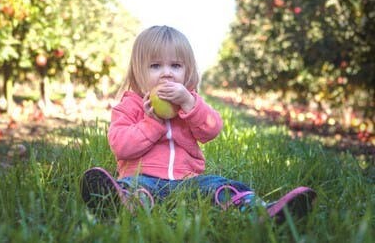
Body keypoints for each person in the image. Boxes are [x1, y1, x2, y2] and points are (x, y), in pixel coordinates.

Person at [80, 25, 316, 222]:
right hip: (143, 177)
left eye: (175, 66)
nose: (167, 74)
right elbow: (121, 146)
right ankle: (122, 204)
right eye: (155, 66)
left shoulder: (190, 103)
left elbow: (212, 130)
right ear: (137, 71)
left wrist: (190, 105)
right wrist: (151, 123)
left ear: (187, 71)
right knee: (133, 187)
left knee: (219, 186)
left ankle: (262, 211)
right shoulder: (129, 106)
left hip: (187, 181)